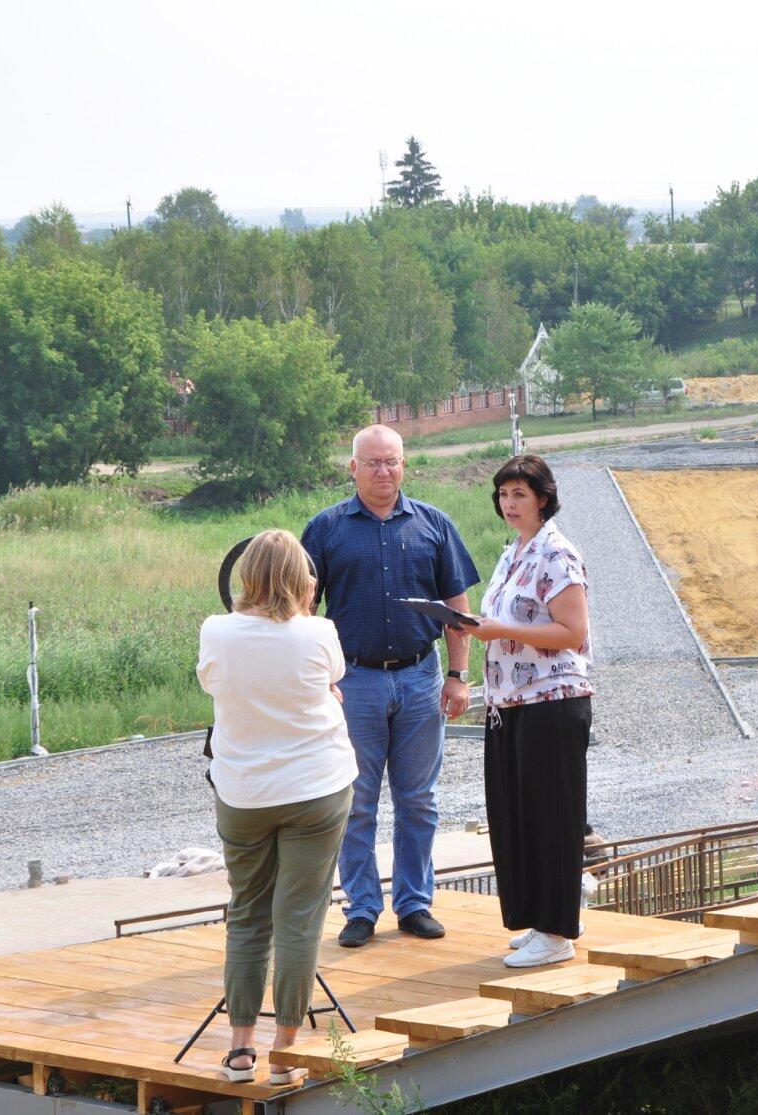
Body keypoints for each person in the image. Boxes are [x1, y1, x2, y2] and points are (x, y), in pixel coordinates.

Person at [301, 425, 480, 949]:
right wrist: (315, 681)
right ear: (352, 468)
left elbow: (458, 611)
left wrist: (457, 676)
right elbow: (304, 611)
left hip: (420, 678)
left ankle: (414, 903)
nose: (384, 471)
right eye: (373, 462)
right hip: (352, 682)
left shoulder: (434, 526)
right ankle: (361, 908)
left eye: (393, 462)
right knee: (356, 801)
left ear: (405, 465)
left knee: (418, 799)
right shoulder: (326, 529)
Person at [197, 530, 357, 1085]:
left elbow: (217, 684)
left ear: (245, 577)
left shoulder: (216, 631)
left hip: (243, 793)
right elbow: (328, 680)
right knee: (300, 916)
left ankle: (241, 1048)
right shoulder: (319, 631)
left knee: (247, 912)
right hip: (317, 786)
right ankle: (285, 1051)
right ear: (302, 580)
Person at [469, 455, 595, 969]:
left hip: (553, 700)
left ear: (542, 497)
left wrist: (502, 632)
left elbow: (572, 633)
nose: (509, 504)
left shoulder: (557, 554)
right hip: (510, 703)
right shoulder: (512, 552)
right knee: (517, 817)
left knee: (551, 818)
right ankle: (541, 919)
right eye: (503, 496)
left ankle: (557, 931)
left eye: (519, 494)